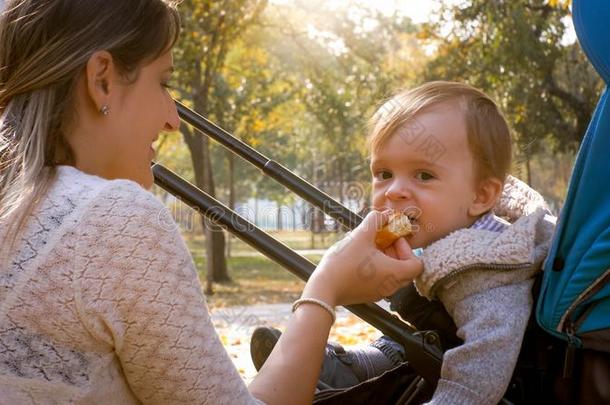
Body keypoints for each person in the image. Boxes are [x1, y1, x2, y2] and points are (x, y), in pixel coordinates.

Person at [0, 1, 424, 404]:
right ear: (102, 80)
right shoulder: (110, 218)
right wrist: (327, 287)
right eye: (163, 83)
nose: (171, 118)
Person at [251, 81, 557, 404]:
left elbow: (479, 375)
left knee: (426, 319)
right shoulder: (449, 228)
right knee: (421, 314)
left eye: (423, 175)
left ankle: (353, 370)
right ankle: (352, 366)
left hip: (462, 353)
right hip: (437, 331)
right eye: (383, 173)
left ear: (481, 196)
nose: (394, 190)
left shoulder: (486, 275)